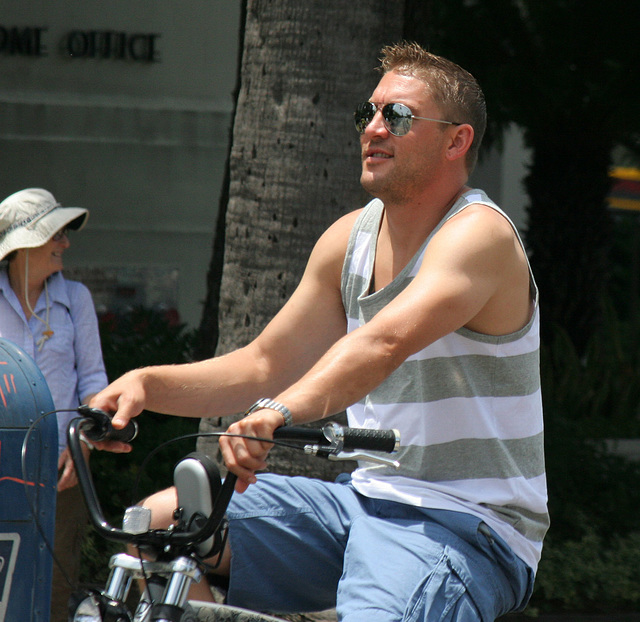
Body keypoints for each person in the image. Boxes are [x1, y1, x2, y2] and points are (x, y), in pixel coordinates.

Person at [92, 42, 548, 621]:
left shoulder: (479, 236)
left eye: (398, 117)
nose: (374, 128)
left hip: (462, 525)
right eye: (369, 113)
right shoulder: (348, 240)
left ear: (457, 141)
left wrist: (277, 413)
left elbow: (383, 342)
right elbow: (262, 363)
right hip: (359, 505)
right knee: (157, 527)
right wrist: (144, 386)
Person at [0, 188, 109, 622]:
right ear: (22, 244)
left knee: (55, 580)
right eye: (54, 234)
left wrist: (84, 442)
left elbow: (95, 381)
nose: (65, 243)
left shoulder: (76, 299)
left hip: (63, 465)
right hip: (3, 460)